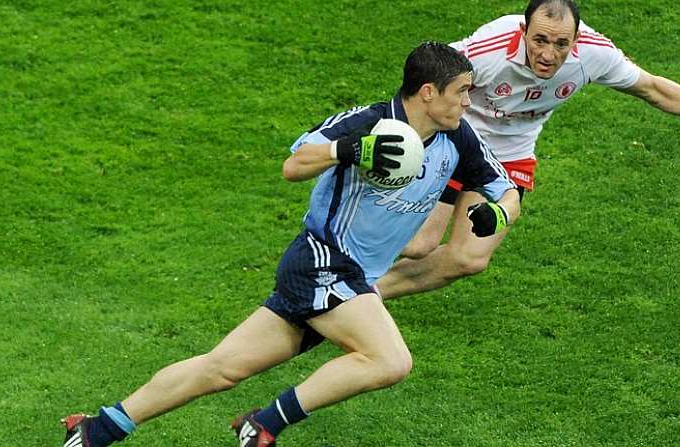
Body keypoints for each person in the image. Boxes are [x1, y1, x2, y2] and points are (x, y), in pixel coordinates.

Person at [60, 42, 521, 447]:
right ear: (428, 93)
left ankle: (97, 429)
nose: (468, 99)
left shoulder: (458, 137)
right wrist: (350, 150)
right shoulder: (369, 122)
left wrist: (495, 213)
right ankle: (262, 424)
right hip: (323, 262)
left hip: (354, 278)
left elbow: (507, 191)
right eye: (461, 90)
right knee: (390, 360)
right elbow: (294, 164)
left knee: (221, 368)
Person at [375, 0, 680, 300]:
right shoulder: (488, 50)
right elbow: (425, 80)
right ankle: (339, 277)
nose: (549, 54)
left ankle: (367, 294)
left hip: (510, 155)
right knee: (418, 243)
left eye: (561, 44)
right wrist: (402, 136)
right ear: (524, 31)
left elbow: (652, 89)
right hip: (457, 137)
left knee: (468, 258)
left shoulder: (594, 55)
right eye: (540, 40)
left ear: (576, 40)